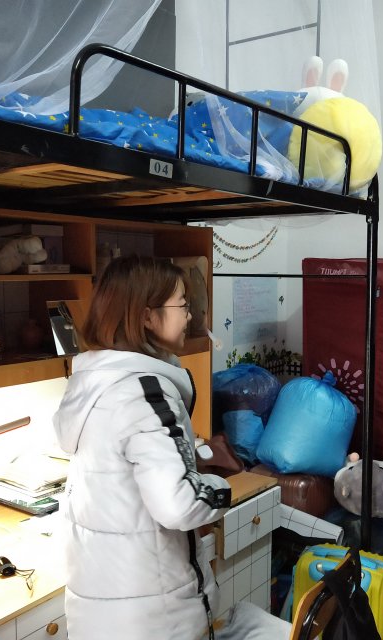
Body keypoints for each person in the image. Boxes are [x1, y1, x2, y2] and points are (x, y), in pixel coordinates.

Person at [52, 255, 290, 640]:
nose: (190, 316)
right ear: (147, 316)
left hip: (100, 615)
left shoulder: (95, 384)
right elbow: (178, 504)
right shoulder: (144, 391)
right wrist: (220, 486)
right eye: (183, 305)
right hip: (153, 618)